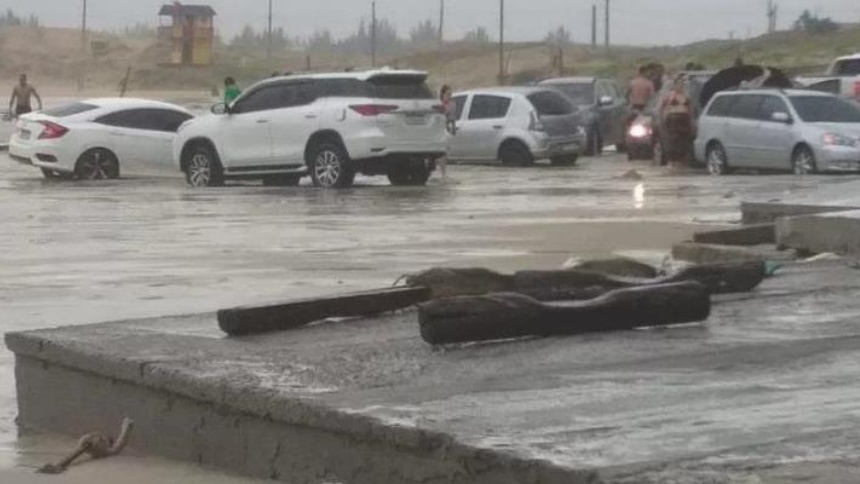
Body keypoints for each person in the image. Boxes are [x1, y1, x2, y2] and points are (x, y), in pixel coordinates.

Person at [661, 74, 694, 168]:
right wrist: (664, 118)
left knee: (684, 141)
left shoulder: (686, 95)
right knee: (673, 140)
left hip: (684, 118)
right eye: (678, 83)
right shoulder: (670, 95)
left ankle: (681, 160)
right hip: (673, 119)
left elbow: (690, 108)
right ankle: (672, 161)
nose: (680, 85)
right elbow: (663, 107)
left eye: (682, 83)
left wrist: (691, 120)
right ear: (674, 85)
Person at [438, 85, 457, 179]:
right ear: (443, 94)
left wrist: (453, 128)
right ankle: (441, 173)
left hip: (446, 130)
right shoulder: (438, 104)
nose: (449, 96)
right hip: (438, 129)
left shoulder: (452, 104)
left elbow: (452, 118)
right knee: (440, 152)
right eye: (448, 94)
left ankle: (443, 173)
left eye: (450, 94)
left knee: (444, 152)